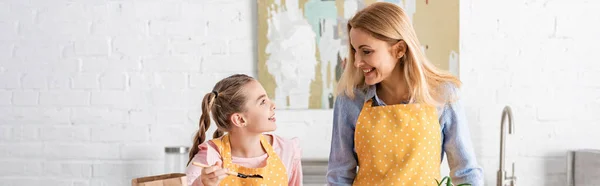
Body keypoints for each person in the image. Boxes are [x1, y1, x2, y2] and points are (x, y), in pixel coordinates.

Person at [327, 2, 484, 186]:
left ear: (399, 49)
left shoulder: (443, 95)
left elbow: (465, 173)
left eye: (366, 51)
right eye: (355, 51)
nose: (357, 62)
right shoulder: (350, 101)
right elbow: (339, 177)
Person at [185, 74, 302, 186]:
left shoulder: (287, 151)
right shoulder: (210, 157)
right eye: (262, 102)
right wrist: (202, 183)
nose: (273, 105)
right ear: (240, 120)